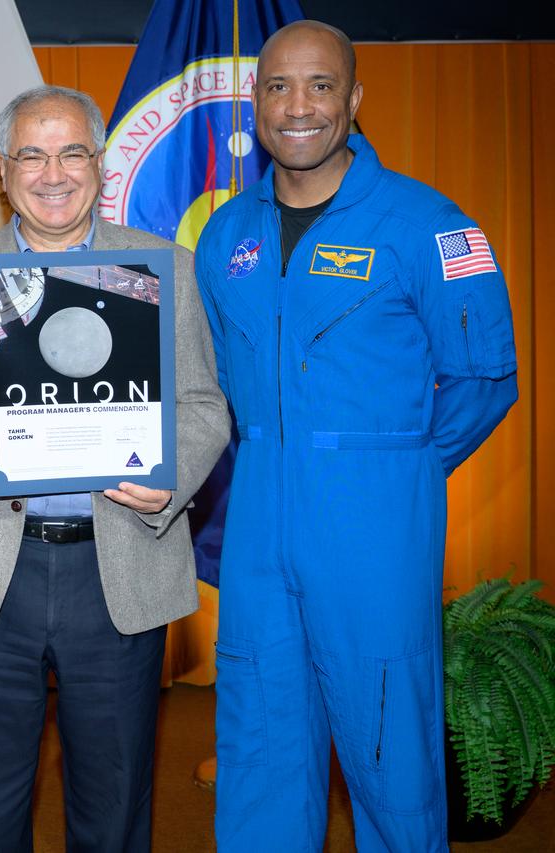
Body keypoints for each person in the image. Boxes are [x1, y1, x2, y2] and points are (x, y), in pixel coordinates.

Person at [195, 20, 518, 851]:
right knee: (260, 730)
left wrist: (397, 463)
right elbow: (221, 385)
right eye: (276, 87)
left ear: (354, 99)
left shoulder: (426, 226)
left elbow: (486, 383)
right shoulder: (226, 236)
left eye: (320, 85)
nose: (297, 106)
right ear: (256, 103)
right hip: (259, 516)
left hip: (375, 522)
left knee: (387, 745)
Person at [0, 85, 230, 852]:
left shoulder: (164, 270)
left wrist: (169, 481)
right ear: (4, 171)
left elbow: (206, 406)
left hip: (117, 565)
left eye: (71, 151)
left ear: (98, 165)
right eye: (32, 155)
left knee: (113, 805)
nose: (53, 172)